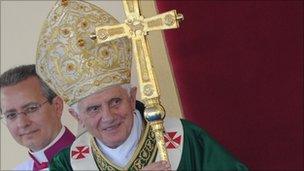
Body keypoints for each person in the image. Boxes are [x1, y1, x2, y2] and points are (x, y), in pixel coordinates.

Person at [35, 1, 248, 170]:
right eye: (93, 109)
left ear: (132, 97)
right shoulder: (68, 165)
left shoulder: (187, 139)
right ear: (76, 116)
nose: (108, 117)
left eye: (115, 101)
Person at [0, 65, 75, 171]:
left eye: (31, 109)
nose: (22, 123)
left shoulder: (95, 161)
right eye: (11, 115)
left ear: (57, 106)